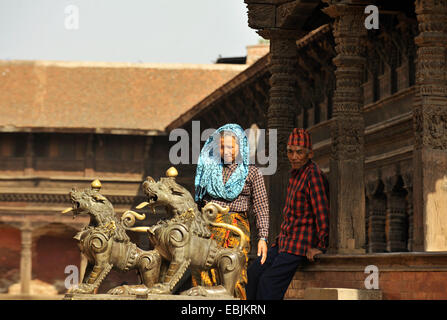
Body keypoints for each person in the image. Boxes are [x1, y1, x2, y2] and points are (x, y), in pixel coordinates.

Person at [246, 128, 329, 300]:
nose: (294, 156)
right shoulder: (296, 174)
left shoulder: (313, 175)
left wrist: (320, 246)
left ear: (310, 154)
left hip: (299, 245)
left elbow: (322, 212)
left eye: (299, 152)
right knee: (253, 273)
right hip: (284, 241)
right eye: (290, 152)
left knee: (268, 284)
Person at [192, 123, 269, 299]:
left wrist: (263, 237)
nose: (226, 150)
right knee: (204, 272)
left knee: (234, 274)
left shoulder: (252, 173)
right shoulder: (208, 171)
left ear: (240, 146)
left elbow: (261, 206)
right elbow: (199, 204)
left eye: (230, 146)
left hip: (237, 232)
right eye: (221, 146)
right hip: (209, 229)